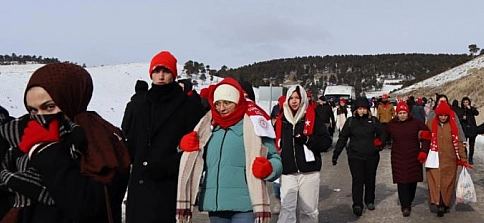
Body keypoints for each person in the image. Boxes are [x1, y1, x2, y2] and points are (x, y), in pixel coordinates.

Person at [0, 63, 131, 223]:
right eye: (33, 110)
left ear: (71, 100)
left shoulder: (101, 142)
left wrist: (46, 151)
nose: (39, 118)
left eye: (49, 107)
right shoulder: (19, 140)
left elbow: (88, 207)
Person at [175, 78, 282, 223]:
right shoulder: (207, 129)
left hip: (245, 205)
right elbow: (198, 162)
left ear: (237, 102)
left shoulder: (254, 126)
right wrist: (184, 147)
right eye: (217, 103)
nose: (221, 108)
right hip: (216, 207)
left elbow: (275, 158)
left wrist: (269, 169)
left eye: (227, 103)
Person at [122, 51, 207, 223]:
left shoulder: (188, 106)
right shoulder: (140, 104)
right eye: (157, 71)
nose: (160, 76)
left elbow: (198, 148)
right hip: (139, 186)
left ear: (174, 74)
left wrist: (169, 165)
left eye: (166, 71)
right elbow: (133, 141)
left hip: (168, 186)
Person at [275, 85, 332, 223]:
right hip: (288, 172)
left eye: (297, 98)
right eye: (291, 98)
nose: (294, 101)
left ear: (303, 100)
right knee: (287, 209)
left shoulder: (312, 117)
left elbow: (326, 142)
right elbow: (273, 143)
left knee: (308, 210)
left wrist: (307, 140)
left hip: (309, 172)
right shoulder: (281, 121)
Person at [331, 97, 386, 216]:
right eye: (360, 109)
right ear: (355, 109)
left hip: (372, 156)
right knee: (358, 180)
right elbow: (343, 138)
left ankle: (369, 200)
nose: (362, 111)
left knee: (370, 179)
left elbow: (383, 134)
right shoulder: (351, 122)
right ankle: (357, 204)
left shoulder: (374, 121)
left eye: (364, 109)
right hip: (355, 156)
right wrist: (336, 154)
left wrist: (379, 145)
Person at [385, 101, 431, 217]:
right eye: (400, 113)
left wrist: (423, 151)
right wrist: (378, 142)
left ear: (408, 113)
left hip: (414, 156)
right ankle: (405, 205)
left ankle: (409, 200)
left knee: (412, 181)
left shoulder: (417, 123)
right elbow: (383, 134)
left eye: (404, 113)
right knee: (402, 181)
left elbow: (427, 136)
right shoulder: (392, 124)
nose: (402, 115)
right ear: (397, 114)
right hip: (398, 157)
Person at [426, 100, 469, 217]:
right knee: (435, 182)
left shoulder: (453, 126)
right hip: (434, 159)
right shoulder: (430, 124)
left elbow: (459, 142)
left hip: (450, 160)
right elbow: (423, 138)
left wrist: (463, 159)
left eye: (445, 115)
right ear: (437, 115)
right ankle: (438, 204)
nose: (443, 117)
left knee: (448, 183)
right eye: (441, 115)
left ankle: (445, 203)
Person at [457, 96, 479, 165]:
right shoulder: (461, 110)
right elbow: (458, 120)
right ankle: (465, 156)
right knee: (464, 144)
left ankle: (471, 158)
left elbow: (477, 113)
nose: (465, 103)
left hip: (472, 129)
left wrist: (471, 109)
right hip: (465, 129)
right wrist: (462, 118)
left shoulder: (472, 108)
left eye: (467, 102)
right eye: (464, 102)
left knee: (472, 145)